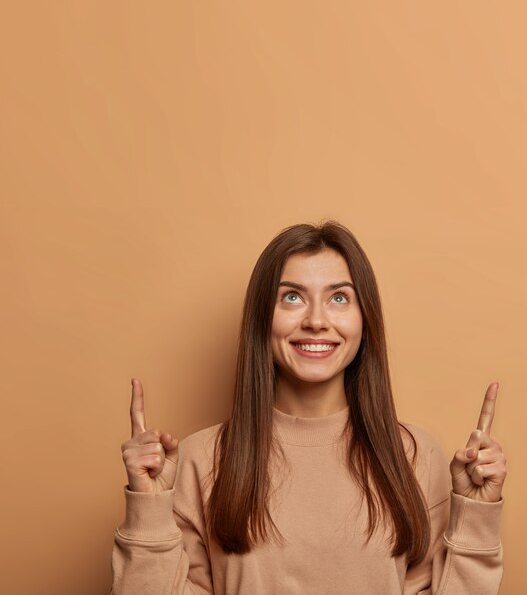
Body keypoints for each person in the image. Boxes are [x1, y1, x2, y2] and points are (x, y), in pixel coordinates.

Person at [110, 221, 506, 594]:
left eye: (338, 297)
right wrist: (149, 510)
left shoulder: (416, 455)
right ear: (262, 319)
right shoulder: (202, 457)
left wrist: (475, 517)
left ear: (364, 318)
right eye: (292, 297)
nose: (316, 320)